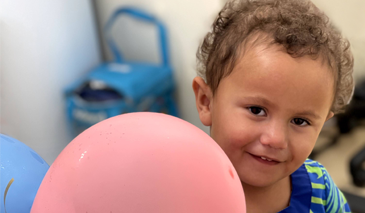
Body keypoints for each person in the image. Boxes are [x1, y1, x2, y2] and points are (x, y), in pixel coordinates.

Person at [192, 0, 354, 212]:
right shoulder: (182, 188)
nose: (276, 139)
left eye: (300, 121)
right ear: (207, 102)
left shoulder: (320, 187)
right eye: (256, 110)